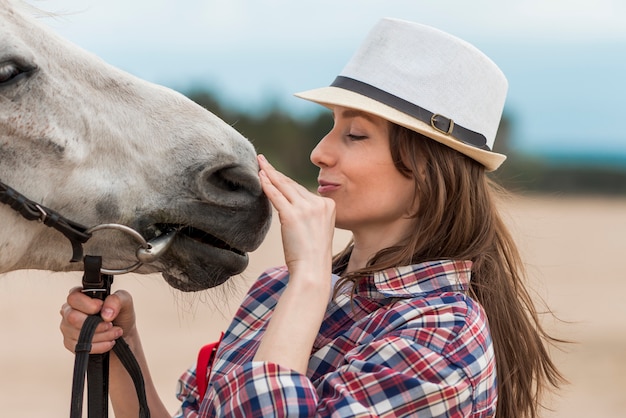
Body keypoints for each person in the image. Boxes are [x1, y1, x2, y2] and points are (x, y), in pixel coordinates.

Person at [59, 18, 563, 417]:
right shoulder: (276, 291)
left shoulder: (441, 335)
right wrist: (122, 353)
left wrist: (309, 282)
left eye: (356, 135)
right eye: (330, 128)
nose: (320, 152)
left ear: (428, 175)